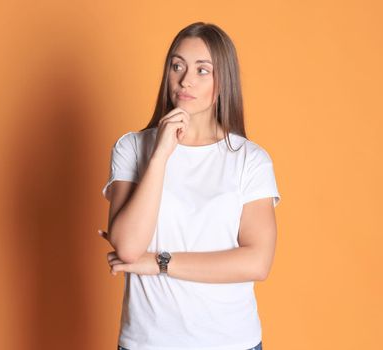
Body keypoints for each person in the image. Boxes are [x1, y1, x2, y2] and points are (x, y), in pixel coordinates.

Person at [98, 21, 280, 350]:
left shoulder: (249, 160)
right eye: (177, 66)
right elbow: (126, 247)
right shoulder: (132, 148)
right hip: (147, 342)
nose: (185, 80)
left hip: (231, 342)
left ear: (223, 81)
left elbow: (257, 262)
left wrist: (158, 262)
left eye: (202, 70)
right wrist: (160, 156)